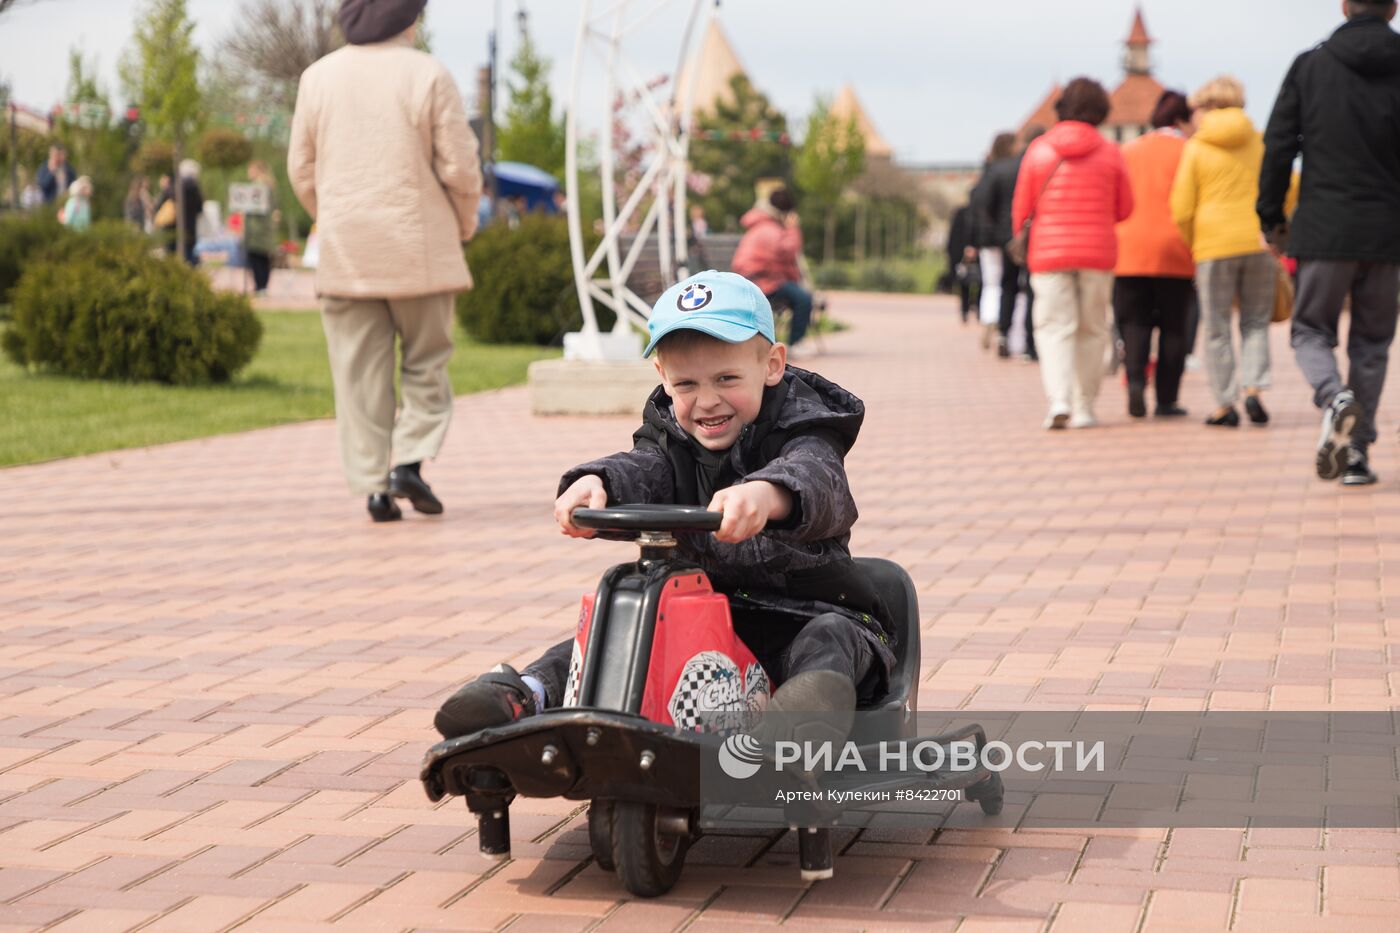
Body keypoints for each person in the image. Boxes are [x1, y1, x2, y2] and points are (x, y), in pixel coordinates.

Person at [432, 270, 892, 742]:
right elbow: (643, 470)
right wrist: (598, 483)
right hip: (702, 622)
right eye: (687, 384)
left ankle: (798, 727)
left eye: (727, 378)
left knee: (831, 639)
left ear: (772, 365)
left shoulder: (806, 430)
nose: (707, 401)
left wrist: (767, 494)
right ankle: (521, 695)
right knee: (614, 632)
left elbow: (817, 477)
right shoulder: (668, 438)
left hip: (806, 614)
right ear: (663, 378)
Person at [289, 0, 482, 523]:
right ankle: (410, 463)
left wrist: (330, 217)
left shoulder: (317, 77)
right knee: (427, 361)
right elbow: (461, 168)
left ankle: (373, 486)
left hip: (347, 252)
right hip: (418, 244)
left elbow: (300, 168)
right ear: (409, 18)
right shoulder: (427, 74)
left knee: (357, 375)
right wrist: (462, 224)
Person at [1259, 0, 1400, 486]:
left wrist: (1271, 216)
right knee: (1373, 341)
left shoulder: (1310, 65)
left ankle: (1334, 397)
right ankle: (1356, 455)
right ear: (1394, 8)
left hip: (1325, 228)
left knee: (1310, 330)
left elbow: (1278, 145)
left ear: (1344, 7)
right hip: (1387, 230)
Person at [1013, 77, 1133, 430]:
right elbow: (1125, 208)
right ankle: (1085, 407)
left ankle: (1059, 400)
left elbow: (1021, 210)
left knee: (1054, 328)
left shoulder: (1038, 150)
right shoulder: (1111, 152)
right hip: (1097, 252)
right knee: (1093, 328)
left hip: (1049, 254)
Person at [1170, 76, 1275, 429]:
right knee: (1256, 321)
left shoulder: (1197, 147)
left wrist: (1195, 241)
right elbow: (1287, 185)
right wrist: (1274, 228)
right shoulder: (1259, 141)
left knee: (1215, 326)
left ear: (1207, 107)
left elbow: (1182, 207)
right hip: (1257, 241)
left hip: (1213, 244)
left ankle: (1225, 403)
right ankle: (1254, 389)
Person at [1113, 90, 1196, 419]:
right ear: (1181, 119)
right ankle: (1166, 399)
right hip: (1175, 249)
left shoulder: (1129, 150)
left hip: (1129, 248)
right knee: (1174, 328)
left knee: (1134, 323)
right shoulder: (1189, 151)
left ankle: (1135, 382)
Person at [981, 126, 1046, 360]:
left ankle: (1003, 334)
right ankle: (1030, 344)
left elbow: (986, 203)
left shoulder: (999, 169)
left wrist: (998, 228)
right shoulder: (1038, 168)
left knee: (1006, 286)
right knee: (1030, 289)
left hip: (1006, 237)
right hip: (1032, 236)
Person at [732, 187, 815, 354]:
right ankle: (795, 343)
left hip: (749, 280)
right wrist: (793, 228)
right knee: (804, 299)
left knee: (796, 293)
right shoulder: (772, 229)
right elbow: (788, 252)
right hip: (763, 282)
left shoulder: (759, 225)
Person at [969, 132, 1018, 351]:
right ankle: (1004, 326)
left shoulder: (988, 172)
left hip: (987, 238)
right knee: (1010, 284)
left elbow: (978, 205)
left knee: (991, 283)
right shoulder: (1014, 169)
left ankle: (989, 319)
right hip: (1009, 236)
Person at [242, 160, 281, 296]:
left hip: (256, 229)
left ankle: (260, 286)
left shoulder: (258, 186)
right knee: (264, 258)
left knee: (256, 257)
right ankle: (263, 286)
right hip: (265, 228)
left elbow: (253, 207)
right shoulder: (269, 185)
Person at [945, 202, 979, 324]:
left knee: (970, 283)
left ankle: (969, 309)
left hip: (968, 254)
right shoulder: (965, 213)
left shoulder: (962, 213)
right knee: (968, 283)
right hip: (965, 255)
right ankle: (970, 309)